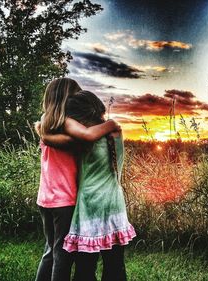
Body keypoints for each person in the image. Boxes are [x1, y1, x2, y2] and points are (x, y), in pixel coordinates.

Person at [34, 78, 121, 281]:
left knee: (50, 250)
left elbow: (51, 139)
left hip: (45, 198)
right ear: (68, 99)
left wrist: (45, 136)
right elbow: (86, 137)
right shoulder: (66, 125)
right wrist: (110, 125)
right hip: (65, 199)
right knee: (62, 254)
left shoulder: (47, 122)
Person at [56, 90, 136, 281]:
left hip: (89, 204)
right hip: (113, 203)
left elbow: (48, 135)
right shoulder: (114, 132)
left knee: (85, 267)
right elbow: (110, 125)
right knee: (115, 265)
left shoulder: (80, 138)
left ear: (77, 118)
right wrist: (109, 122)